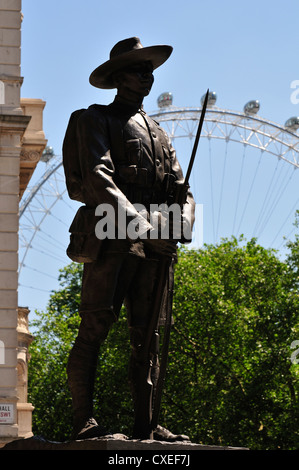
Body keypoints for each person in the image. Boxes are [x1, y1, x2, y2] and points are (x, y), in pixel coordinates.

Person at [63, 37, 195, 441]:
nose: (147, 77)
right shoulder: (93, 119)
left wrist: (181, 225)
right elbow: (98, 180)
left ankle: (148, 424)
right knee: (95, 327)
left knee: (149, 335)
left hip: (157, 244)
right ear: (119, 77)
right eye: (139, 70)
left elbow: (182, 189)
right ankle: (84, 419)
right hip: (111, 235)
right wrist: (147, 229)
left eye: (150, 70)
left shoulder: (160, 133)